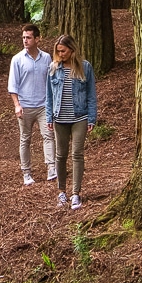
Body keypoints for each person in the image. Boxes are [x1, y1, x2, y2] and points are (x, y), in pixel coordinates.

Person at [45, 34, 97, 210]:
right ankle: (61, 191)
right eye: (58, 51)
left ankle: (76, 193)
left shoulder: (85, 67)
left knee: (77, 154)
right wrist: (49, 116)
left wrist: (92, 117)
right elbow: (49, 96)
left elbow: (91, 95)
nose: (61, 54)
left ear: (72, 49)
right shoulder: (53, 68)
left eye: (64, 51)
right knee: (60, 155)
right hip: (60, 118)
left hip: (79, 117)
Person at [6, 23, 55, 186]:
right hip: (25, 106)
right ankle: (26, 172)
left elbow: (50, 81)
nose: (25, 41)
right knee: (25, 139)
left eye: (28, 37)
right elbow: (13, 85)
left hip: (43, 105)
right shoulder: (17, 59)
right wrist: (16, 105)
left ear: (37, 39)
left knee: (48, 136)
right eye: (23, 38)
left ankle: (51, 167)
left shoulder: (46, 58)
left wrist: (52, 103)